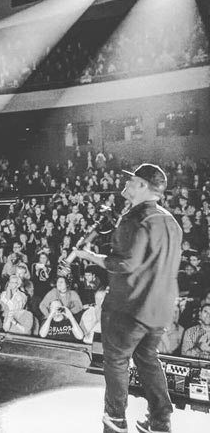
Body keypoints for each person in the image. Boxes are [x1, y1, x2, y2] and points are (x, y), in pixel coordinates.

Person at [74, 163, 182, 433]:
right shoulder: (170, 221)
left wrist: (89, 256)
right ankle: (160, 421)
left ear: (143, 186)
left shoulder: (135, 218)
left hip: (129, 307)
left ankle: (116, 419)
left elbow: (124, 264)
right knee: (147, 359)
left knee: (117, 361)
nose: (127, 183)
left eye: (132, 180)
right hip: (159, 309)